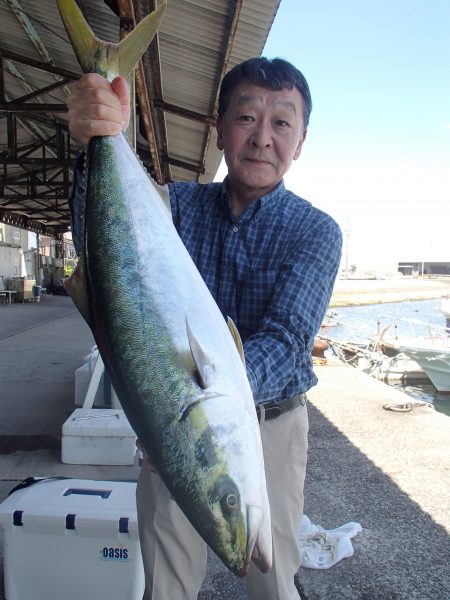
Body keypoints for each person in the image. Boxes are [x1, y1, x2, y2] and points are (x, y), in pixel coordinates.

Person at [67, 57, 342, 599]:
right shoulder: (173, 205)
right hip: (171, 427)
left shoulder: (316, 231)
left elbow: (287, 344)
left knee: (272, 576)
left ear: (301, 139)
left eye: (281, 123)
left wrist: (195, 405)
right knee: (165, 581)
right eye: (246, 118)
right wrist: (94, 142)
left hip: (268, 426)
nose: (263, 138)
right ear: (219, 129)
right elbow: (97, 246)